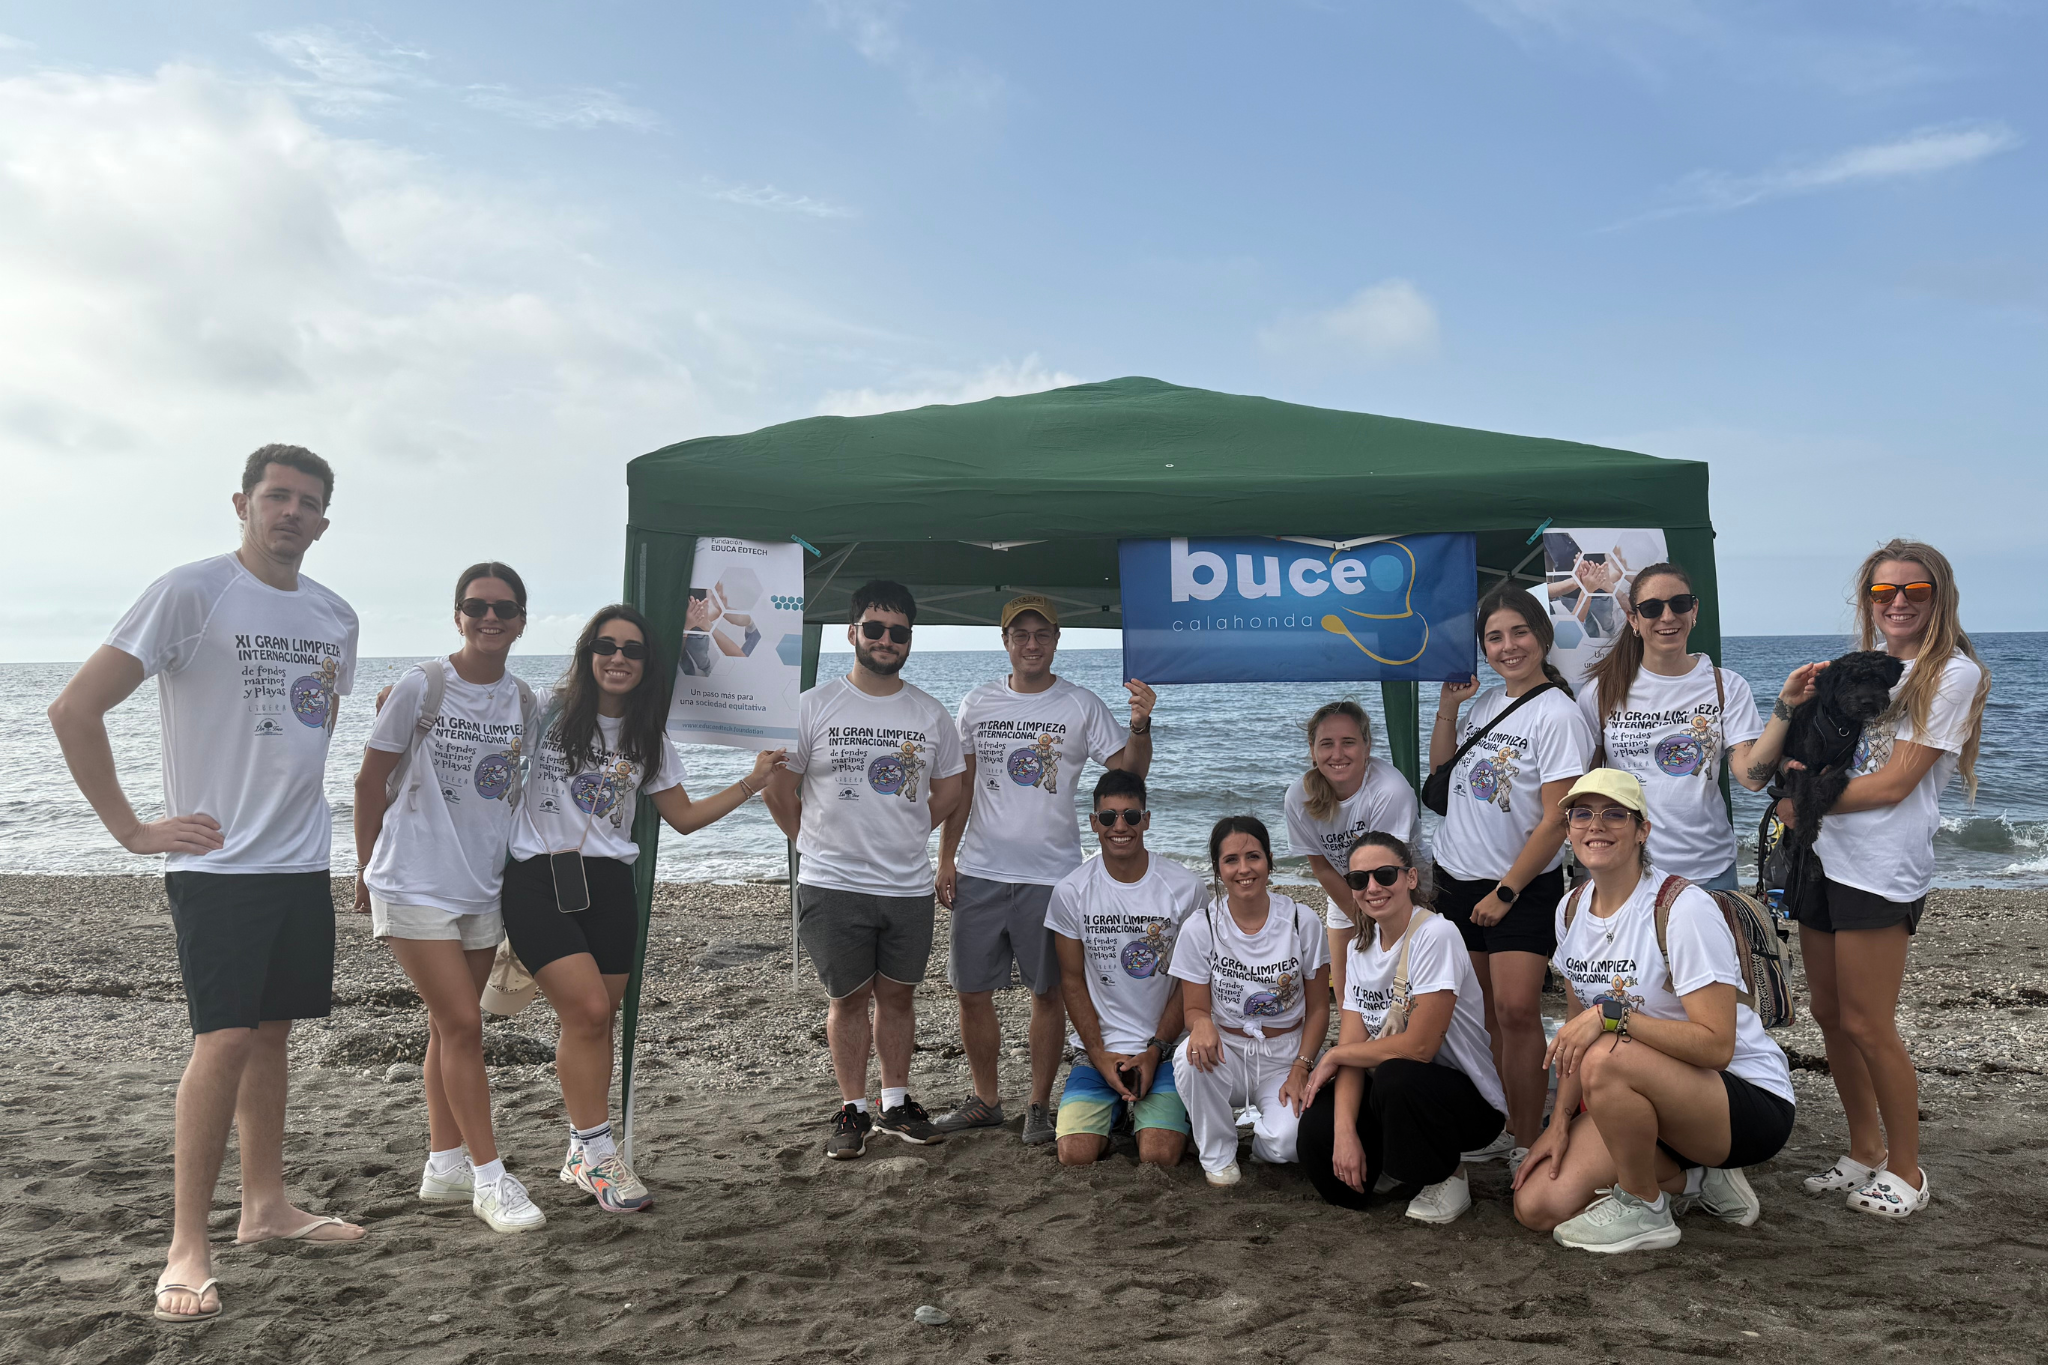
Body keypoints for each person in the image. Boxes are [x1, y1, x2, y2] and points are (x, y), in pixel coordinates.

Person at [48, 445, 364, 1324]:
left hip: (299, 858)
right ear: (242, 503)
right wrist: (132, 829)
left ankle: (265, 1205)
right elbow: (73, 709)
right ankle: (187, 1244)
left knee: (272, 1035)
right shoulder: (191, 591)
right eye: (276, 496)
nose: (291, 511)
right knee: (221, 1040)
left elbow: (311, 723)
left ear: (324, 521)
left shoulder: (337, 614)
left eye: (307, 501)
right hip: (218, 865)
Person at [504, 604, 781, 1213]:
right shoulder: (542, 709)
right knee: (586, 1010)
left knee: (599, 1019)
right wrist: (402, 701)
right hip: (537, 879)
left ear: (647, 664)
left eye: (632, 650)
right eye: (606, 646)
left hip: (609, 886)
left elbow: (682, 818)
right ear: (587, 654)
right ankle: (600, 1154)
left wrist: (752, 782)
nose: (618, 658)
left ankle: (580, 1148)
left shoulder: (647, 737)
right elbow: (475, 711)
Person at [1786, 540, 1989, 1218]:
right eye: (1883, 591)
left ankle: (1907, 1169)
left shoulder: (1950, 673)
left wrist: (1799, 801)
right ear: (1867, 600)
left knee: (1869, 1022)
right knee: (1828, 1015)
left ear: (1940, 597)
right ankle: (1864, 1148)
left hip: (1881, 866)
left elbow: (1895, 784)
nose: (1898, 602)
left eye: (1914, 590)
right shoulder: (1862, 667)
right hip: (1822, 857)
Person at [1514, 769, 1795, 1251]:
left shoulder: (1681, 908)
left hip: (1741, 1100)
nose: (1595, 825)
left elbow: (1717, 1046)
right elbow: (1577, 1031)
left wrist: (1613, 1016)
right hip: (1639, 1092)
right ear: (1568, 830)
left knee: (1606, 1052)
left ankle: (1644, 1207)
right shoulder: (1570, 909)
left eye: (1614, 814)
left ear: (1642, 829)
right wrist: (1558, 1122)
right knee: (1537, 1206)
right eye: (1581, 814)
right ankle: (1698, 1181)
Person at [351, 563, 543, 1233]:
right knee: (463, 1024)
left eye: (504, 608)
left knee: (446, 1026)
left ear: (522, 621)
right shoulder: (422, 685)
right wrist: (363, 866)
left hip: (482, 885)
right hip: (413, 879)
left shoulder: (524, 701)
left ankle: (444, 1164)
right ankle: (490, 1178)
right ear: (457, 615)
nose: (490, 617)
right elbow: (368, 782)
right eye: (476, 606)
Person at [935, 594, 1157, 1144]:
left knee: (1047, 993)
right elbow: (962, 788)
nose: (1031, 644)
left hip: (1053, 876)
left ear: (1057, 641)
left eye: (1041, 634)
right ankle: (986, 1100)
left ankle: (1037, 1104)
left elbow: (1129, 777)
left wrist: (1140, 725)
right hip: (980, 870)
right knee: (971, 991)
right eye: (1021, 634)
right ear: (1005, 641)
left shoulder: (1080, 704)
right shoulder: (976, 702)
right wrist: (945, 858)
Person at [765, 581, 968, 1160]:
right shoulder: (814, 705)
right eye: (874, 629)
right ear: (852, 632)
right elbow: (779, 788)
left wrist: (908, 830)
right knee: (848, 1000)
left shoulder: (929, 713)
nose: (886, 640)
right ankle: (853, 1109)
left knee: (899, 997)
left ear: (909, 639)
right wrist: (810, 840)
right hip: (832, 884)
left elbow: (950, 789)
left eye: (898, 632)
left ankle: (895, 1103)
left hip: (906, 883)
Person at [1428, 586, 1593, 1166]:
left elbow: (1558, 819)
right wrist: (1449, 707)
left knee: (1519, 1012)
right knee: (1484, 1014)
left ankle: (1527, 1138)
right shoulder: (1485, 704)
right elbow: (1443, 776)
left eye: (1518, 632)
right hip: (1455, 877)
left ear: (1542, 636)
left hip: (1519, 886)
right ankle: (1501, 1121)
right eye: (1494, 638)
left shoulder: (1558, 714)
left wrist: (1506, 891)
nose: (1508, 646)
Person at [1297, 832, 1507, 1224]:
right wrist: (1344, 1134)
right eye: (1359, 879)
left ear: (1410, 877)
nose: (1372, 887)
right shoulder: (1359, 948)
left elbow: (1420, 1047)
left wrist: (1335, 1054)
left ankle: (1448, 1176)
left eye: (1385, 875)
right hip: (1396, 1096)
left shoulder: (1436, 934)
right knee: (1319, 1138)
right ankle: (1396, 1166)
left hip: (1463, 1102)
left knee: (1397, 1073)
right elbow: (1354, 1050)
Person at [1044, 769, 1205, 1168]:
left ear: (1146, 820)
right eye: (1109, 816)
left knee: (1159, 1155)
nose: (1120, 826)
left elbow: (1191, 982)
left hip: (1166, 1050)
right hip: (1099, 1050)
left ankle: (1157, 1113)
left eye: (1131, 816)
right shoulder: (1071, 891)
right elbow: (1071, 980)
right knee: (1075, 1155)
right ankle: (1115, 1111)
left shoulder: (1185, 887)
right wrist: (1099, 1055)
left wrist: (1156, 1050)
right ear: (1093, 822)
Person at [1581, 562, 1765, 891]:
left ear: (1694, 610)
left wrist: (1785, 708)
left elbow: (1751, 777)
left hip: (1710, 872)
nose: (1667, 617)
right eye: (1652, 608)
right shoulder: (1601, 691)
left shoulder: (1726, 686)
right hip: (1626, 872)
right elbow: (1586, 787)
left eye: (1679, 604)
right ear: (1634, 619)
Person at [1170, 816, 1331, 1187]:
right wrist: (1202, 1023)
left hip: (1286, 1055)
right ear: (1218, 869)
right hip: (1228, 1050)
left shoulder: (1301, 921)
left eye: (1253, 857)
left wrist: (1302, 1067)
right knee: (1189, 1056)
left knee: (1289, 1144)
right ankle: (1219, 1156)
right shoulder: (1201, 926)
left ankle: (1259, 1143)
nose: (1243, 869)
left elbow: (1320, 1008)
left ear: (1270, 861)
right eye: (1231, 860)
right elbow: (1194, 1008)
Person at [1281, 699, 1421, 1003]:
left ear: (1367, 746)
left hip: (1400, 885)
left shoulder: (1389, 790)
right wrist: (1360, 922)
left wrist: (1376, 928)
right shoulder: (1298, 797)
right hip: (1348, 886)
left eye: (1348, 742)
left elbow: (1386, 870)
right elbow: (1322, 867)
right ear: (1312, 750)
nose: (1338, 754)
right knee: (1349, 992)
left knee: (1400, 990)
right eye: (1326, 744)